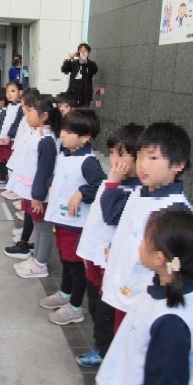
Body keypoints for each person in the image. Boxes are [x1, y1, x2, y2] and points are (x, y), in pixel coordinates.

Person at [96, 209, 193, 385]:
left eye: (144, 240)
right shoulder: (170, 285)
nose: (140, 245)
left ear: (160, 258)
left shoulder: (172, 321)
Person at [100, 121, 192, 336]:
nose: (143, 164)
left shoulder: (174, 210)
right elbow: (117, 220)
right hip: (125, 285)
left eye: (153, 158)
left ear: (178, 165)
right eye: (140, 156)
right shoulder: (140, 193)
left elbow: (179, 269)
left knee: (136, 343)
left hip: (147, 300)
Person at [75, 123, 144, 368]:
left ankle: (107, 353)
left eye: (122, 154)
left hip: (113, 266)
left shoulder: (135, 191)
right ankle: (102, 347)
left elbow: (111, 215)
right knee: (95, 306)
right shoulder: (112, 182)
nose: (115, 159)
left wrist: (113, 183)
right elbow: (95, 223)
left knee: (107, 312)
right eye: (113, 152)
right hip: (97, 258)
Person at [39, 109, 106, 325]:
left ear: (85, 137)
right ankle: (65, 293)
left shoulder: (88, 161)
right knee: (65, 261)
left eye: (69, 132)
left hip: (76, 225)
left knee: (76, 266)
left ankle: (75, 307)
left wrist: (82, 193)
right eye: (63, 130)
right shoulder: (65, 154)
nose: (63, 135)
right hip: (62, 220)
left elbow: (100, 185)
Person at [7, 95, 62, 278]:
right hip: (31, 192)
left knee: (44, 230)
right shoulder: (37, 134)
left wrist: (38, 196)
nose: (27, 114)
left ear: (44, 116)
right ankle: (36, 258)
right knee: (38, 228)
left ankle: (41, 264)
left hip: (39, 196)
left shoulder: (46, 140)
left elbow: (44, 171)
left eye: (31, 111)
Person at [0, 81, 21, 189]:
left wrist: (9, 135)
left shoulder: (20, 108)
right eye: (8, 91)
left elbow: (16, 124)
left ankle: (10, 183)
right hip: (4, 138)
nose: (9, 94)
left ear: (20, 92)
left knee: (10, 161)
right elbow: (4, 123)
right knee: (3, 159)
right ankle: (4, 179)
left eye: (13, 91)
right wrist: (1, 135)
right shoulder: (8, 107)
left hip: (12, 140)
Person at [61, 43, 98, 107]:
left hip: (85, 95)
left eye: (85, 51)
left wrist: (86, 62)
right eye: (81, 50)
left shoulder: (91, 64)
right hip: (72, 94)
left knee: (83, 111)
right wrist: (70, 59)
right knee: (71, 111)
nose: (83, 53)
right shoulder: (74, 63)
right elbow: (64, 70)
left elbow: (94, 70)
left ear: (88, 52)